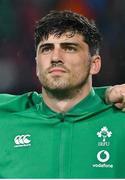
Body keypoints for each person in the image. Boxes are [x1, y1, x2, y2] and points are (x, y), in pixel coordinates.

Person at [0, 10, 125, 178]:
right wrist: (106, 92)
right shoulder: (6, 119)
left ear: (94, 64)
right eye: (46, 49)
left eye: (69, 48)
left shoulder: (120, 119)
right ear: (37, 66)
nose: (55, 57)